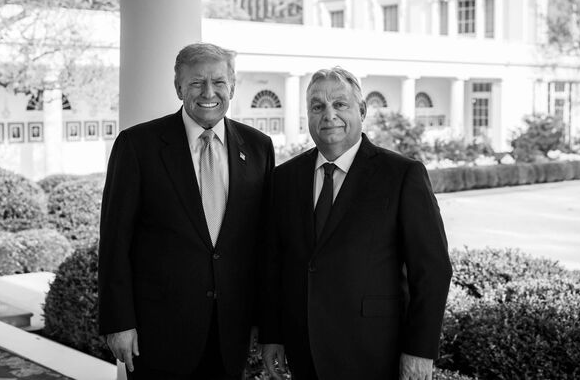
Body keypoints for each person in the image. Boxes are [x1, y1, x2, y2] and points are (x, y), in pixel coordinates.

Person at [260, 67, 452, 380]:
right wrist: (273, 335)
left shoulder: (402, 175)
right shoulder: (284, 178)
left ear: (361, 111)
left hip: (375, 352)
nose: (329, 115)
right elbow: (273, 264)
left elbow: (432, 269)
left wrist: (419, 351)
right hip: (304, 352)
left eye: (340, 104)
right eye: (318, 106)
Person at [98, 42, 275, 379]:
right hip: (158, 333)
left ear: (232, 86)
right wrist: (118, 322)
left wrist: (266, 324)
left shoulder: (258, 147)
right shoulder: (137, 146)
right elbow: (114, 241)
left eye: (219, 82)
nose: (209, 92)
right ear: (179, 88)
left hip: (230, 333)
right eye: (196, 82)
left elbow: (264, 245)